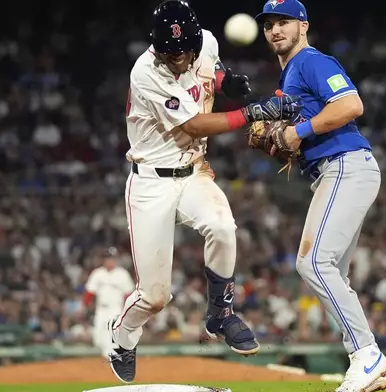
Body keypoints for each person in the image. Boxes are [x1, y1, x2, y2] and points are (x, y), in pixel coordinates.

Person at [107, 0, 303, 384]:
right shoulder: (145, 71)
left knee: (223, 227)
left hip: (193, 171)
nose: (179, 59)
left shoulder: (207, 43)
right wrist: (252, 112)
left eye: (185, 51)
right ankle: (122, 336)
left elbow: (207, 74)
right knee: (154, 296)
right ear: (156, 47)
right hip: (151, 181)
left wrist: (223, 82)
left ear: (196, 40)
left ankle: (221, 313)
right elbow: (194, 125)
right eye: (170, 53)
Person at [255, 0, 386, 391]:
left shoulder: (311, 62)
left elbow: (351, 105)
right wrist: (287, 142)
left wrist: (296, 134)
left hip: (346, 165)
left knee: (313, 263)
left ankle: (367, 355)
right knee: (332, 271)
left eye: (284, 21)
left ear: (304, 26)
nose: (275, 30)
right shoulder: (289, 79)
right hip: (334, 170)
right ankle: (373, 364)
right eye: (269, 24)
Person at [81, 247, 134, 355]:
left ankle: (111, 360)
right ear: (103, 260)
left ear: (116, 260)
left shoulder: (122, 274)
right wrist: (84, 306)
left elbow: (128, 294)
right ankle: (109, 357)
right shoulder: (97, 273)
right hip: (101, 309)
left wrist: (126, 312)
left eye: (112, 258)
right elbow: (90, 292)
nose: (110, 261)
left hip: (116, 309)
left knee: (112, 337)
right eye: (107, 258)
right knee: (98, 338)